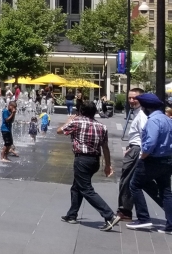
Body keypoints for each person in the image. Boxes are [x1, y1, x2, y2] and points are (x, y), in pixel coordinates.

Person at [56, 102, 121, 230]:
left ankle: (109, 215)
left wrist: (68, 120)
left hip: (82, 159)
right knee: (77, 187)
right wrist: (108, 165)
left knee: (86, 189)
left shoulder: (77, 122)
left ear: (80, 111)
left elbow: (59, 131)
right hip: (94, 161)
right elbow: (105, 148)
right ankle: (72, 215)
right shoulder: (101, 126)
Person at [125, 93, 172, 232]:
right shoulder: (167, 119)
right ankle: (170, 224)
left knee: (134, 185)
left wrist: (142, 156)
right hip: (168, 159)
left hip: (152, 160)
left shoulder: (153, 121)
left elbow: (150, 142)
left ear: (147, 107)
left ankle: (143, 218)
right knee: (166, 191)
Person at [116, 89, 145, 222]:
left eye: (135, 98)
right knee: (140, 183)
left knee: (126, 180)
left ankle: (125, 211)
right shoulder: (137, 112)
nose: (131, 101)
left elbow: (145, 135)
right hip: (134, 148)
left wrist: (139, 152)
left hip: (136, 150)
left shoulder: (142, 114)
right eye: (129, 98)